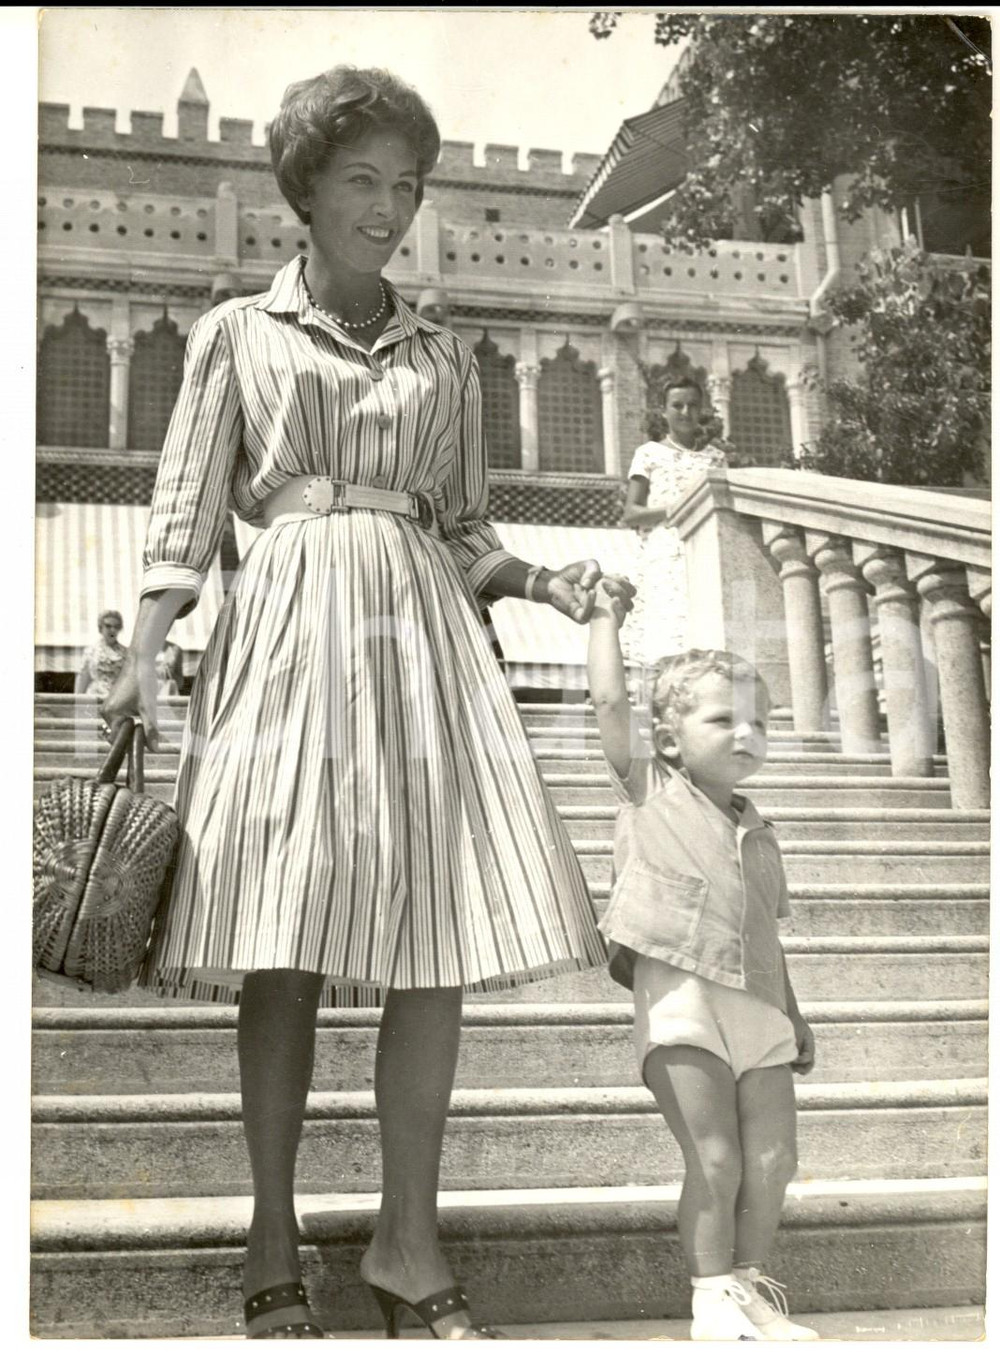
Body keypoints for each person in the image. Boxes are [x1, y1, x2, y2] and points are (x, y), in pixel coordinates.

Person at [102, 65, 629, 1341]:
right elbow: (185, 510)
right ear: (306, 189)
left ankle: (407, 1236)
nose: (386, 209)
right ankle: (270, 1230)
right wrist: (143, 653)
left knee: (434, 939)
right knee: (282, 934)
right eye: (360, 181)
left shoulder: (445, 355)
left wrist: (547, 583)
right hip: (286, 633)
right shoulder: (236, 334)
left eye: (406, 186)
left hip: (421, 643)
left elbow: (462, 527)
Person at [586, 584, 818, 1342]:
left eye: (761, 722)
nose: (747, 734)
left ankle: (746, 1287)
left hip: (758, 1007)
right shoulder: (651, 790)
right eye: (724, 719)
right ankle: (710, 1294)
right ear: (668, 739)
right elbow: (610, 704)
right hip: (683, 998)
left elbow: (765, 932)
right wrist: (604, 621)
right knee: (716, 1157)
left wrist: (794, 1012)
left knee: (775, 1158)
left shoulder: (759, 829)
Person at [619, 379, 730, 667]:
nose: (685, 412)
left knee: (706, 636)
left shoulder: (716, 459)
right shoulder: (649, 453)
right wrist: (675, 508)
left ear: (701, 410)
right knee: (667, 633)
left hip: (705, 551)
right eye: (677, 405)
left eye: (692, 405)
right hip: (665, 551)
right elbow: (631, 513)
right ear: (664, 411)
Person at [75, 609, 127, 700]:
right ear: (100, 628)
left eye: (116, 627)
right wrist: (77, 702)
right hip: (94, 700)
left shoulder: (126, 653)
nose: (112, 630)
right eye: (108, 626)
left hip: (117, 701)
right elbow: (82, 681)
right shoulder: (91, 652)